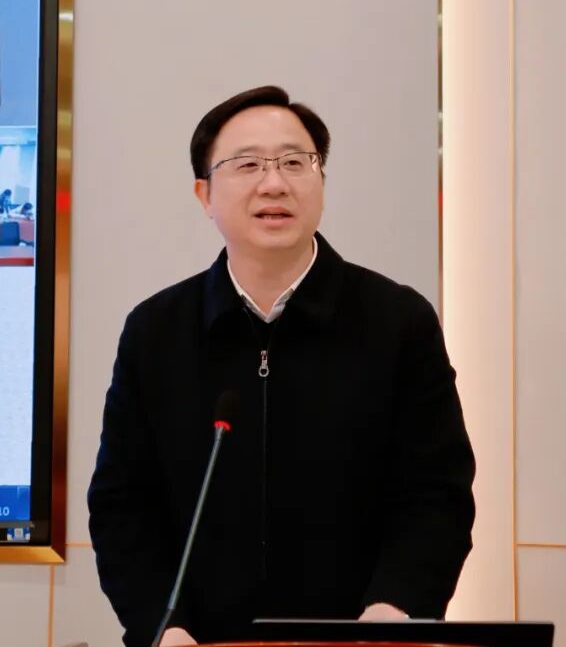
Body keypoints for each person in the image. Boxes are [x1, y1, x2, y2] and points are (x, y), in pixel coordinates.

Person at [87, 86, 475, 647]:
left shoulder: (398, 322)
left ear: (321, 183)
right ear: (205, 194)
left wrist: (395, 608)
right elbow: (122, 506)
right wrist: (162, 628)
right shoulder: (155, 331)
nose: (274, 183)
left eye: (296, 162)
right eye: (248, 165)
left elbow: (437, 492)